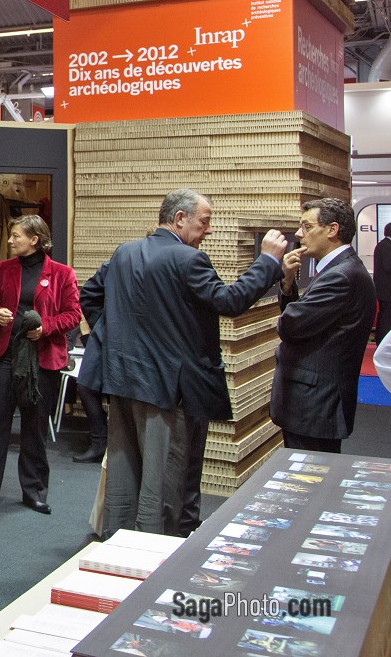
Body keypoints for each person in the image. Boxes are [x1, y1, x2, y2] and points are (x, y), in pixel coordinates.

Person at [79, 189, 286, 537]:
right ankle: (157, 554)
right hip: (168, 390)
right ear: (179, 219)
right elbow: (230, 301)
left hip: (123, 379)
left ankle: (115, 547)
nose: (209, 231)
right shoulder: (189, 260)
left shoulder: (125, 252)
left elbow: (90, 294)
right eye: (204, 222)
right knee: (164, 480)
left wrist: (118, 341)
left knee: (124, 471)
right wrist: (267, 261)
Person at [0, 215, 81, 514]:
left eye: (16, 236)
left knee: (34, 428)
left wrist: (46, 328)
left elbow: (73, 314)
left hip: (42, 362)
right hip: (4, 357)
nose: (10, 240)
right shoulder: (4, 269)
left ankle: (34, 490)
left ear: (34, 240)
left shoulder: (62, 274)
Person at [271, 198, 377, 453]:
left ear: (332, 230)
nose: (299, 234)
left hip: (316, 404)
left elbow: (291, 326)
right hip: (314, 402)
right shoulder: (340, 270)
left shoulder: (341, 276)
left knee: (308, 481)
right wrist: (287, 283)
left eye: (306, 227)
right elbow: (303, 323)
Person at [374, 223, 391, 352]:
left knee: (384, 315)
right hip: (387, 290)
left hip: (383, 289)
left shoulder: (382, 245)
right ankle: (383, 341)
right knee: (386, 317)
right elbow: (388, 266)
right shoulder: (386, 246)